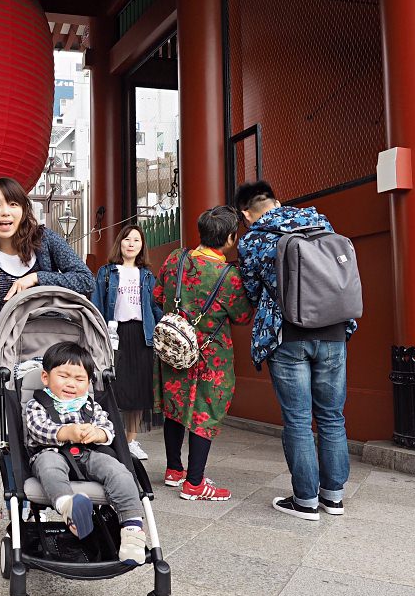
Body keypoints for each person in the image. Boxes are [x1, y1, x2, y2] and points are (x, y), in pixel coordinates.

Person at [235, 181, 356, 521]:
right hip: (333, 331)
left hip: (286, 334)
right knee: (332, 416)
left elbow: (252, 290)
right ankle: (333, 498)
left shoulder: (255, 239)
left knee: (299, 420)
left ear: (247, 213)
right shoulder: (321, 223)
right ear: (277, 200)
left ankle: (305, 501)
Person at [153, 206, 253, 501]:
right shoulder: (229, 277)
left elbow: (158, 296)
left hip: (174, 348)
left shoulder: (175, 260)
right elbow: (243, 317)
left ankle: (174, 470)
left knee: (175, 405)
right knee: (205, 411)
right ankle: (194, 483)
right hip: (212, 356)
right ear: (231, 238)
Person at [24, 342, 147, 566]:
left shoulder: (91, 407)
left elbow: (109, 430)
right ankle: (68, 507)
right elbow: (37, 429)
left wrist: (97, 433)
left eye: (79, 379)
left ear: (89, 383)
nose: (71, 384)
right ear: (45, 377)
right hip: (50, 451)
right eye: (63, 376)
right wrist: (66, 432)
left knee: (118, 470)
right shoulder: (37, 404)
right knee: (48, 465)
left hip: (89, 454)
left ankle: (132, 528)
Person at [0, 177, 93, 348]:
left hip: (53, 346)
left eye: (13, 204)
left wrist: (37, 278)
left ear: (24, 210)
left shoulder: (45, 239)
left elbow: (87, 280)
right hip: (5, 353)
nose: (5, 212)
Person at [91, 224, 164, 461]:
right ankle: (112, 436)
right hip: (115, 334)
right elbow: (97, 305)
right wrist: (97, 333)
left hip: (142, 335)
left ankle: (131, 441)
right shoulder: (107, 272)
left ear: (142, 246)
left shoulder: (147, 275)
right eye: (127, 239)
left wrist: (168, 325)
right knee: (113, 387)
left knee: (139, 391)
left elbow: (155, 307)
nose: (131, 244)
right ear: (119, 243)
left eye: (137, 240)